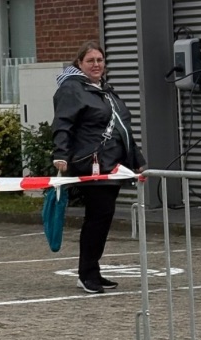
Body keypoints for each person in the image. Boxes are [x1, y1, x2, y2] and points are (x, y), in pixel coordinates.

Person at [51, 40, 145, 294]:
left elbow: (123, 129)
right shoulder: (72, 89)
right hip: (92, 164)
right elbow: (63, 123)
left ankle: (92, 271)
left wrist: (138, 161)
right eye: (90, 60)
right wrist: (60, 154)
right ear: (79, 63)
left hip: (112, 165)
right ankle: (87, 274)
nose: (96, 65)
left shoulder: (104, 90)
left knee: (102, 218)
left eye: (100, 60)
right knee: (97, 218)